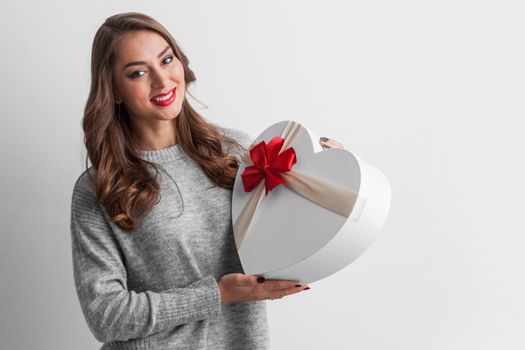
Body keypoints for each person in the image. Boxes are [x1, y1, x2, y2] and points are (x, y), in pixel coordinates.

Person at [70, 11, 344, 350]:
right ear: (113, 90)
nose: (161, 80)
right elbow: (106, 315)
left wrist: (323, 172)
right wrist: (220, 294)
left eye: (166, 59)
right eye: (138, 72)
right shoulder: (101, 186)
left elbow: (286, 235)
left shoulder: (236, 152)